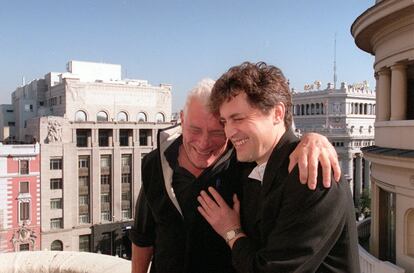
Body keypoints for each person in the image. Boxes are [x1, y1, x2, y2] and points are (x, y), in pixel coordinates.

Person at [129, 79, 341, 273]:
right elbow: (142, 236)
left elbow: (276, 146)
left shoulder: (245, 165)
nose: (204, 143)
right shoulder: (156, 163)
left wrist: (312, 139)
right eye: (194, 130)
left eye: (216, 132)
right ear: (181, 120)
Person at [198, 62, 360, 273]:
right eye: (225, 121)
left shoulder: (312, 175)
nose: (229, 132)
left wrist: (231, 232)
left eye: (238, 118)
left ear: (277, 113)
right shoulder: (247, 164)